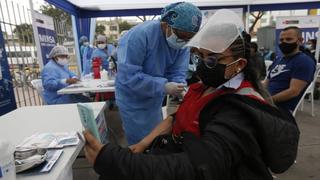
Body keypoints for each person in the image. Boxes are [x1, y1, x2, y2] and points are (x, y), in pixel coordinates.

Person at [83, 9, 299, 180]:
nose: (204, 65)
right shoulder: (203, 86)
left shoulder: (239, 110)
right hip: (175, 145)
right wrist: (142, 144)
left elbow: (198, 167)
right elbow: (175, 118)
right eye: (200, 57)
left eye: (212, 59)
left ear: (239, 64)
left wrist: (116, 160)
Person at [115, 2, 202, 145]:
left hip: (154, 100)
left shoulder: (182, 44)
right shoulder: (140, 36)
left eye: (189, 38)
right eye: (181, 35)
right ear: (166, 24)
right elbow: (128, 77)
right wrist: (163, 86)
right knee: (139, 144)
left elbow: (178, 71)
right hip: (133, 101)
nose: (184, 41)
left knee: (155, 139)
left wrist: (180, 86)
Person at [265, 26, 316, 112]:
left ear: (300, 41)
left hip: (279, 110)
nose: (284, 42)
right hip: (265, 103)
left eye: (288, 39)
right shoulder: (278, 59)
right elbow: (267, 82)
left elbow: (293, 91)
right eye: (281, 40)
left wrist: (266, 100)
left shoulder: (304, 61)